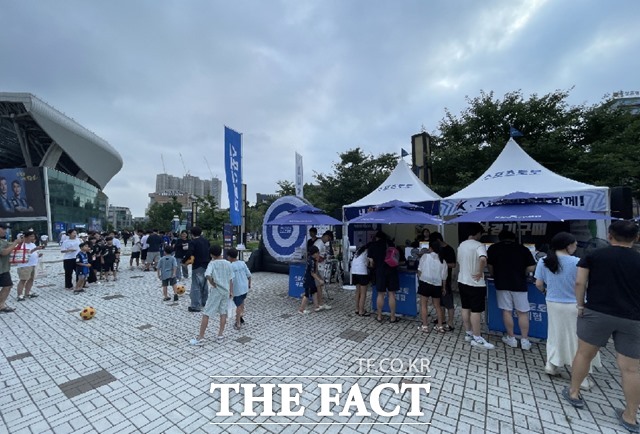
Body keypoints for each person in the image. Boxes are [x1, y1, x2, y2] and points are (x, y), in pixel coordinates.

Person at [564, 220, 640, 433]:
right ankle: (631, 416)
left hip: (596, 312)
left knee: (584, 354)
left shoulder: (594, 256)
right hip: (632, 318)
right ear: (636, 238)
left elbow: (580, 283)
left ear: (609, 235)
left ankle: (574, 393)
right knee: (631, 368)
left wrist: (580, 305)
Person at [534, 232, 600, 389]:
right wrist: (581, 304)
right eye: (575, 244)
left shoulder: (543, 261)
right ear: (568, 246)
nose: (576, 247)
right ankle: (581, 378)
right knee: (577, 340)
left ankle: (551, 365)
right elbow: (583, 284)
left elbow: (538, 284)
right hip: (574, 305)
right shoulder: (578, 262)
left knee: (555, 334)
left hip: (552, 303)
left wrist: (546, 292)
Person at [487, 230, 536, 350]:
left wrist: (494, 274)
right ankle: (525, 340)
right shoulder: (522, 249)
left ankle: (511, 338)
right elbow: (532, 266)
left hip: (501, 283)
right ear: (514, 238)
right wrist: (522, 271)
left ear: (500, 238)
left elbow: (490, 266)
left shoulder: (494, 248)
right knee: (522, 312)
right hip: (520, 284)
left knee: (507, 311)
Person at [457, 223, 494, 349]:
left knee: (465, 307)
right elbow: (483, 259)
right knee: (476, 311)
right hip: (475, 283)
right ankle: (477, 337)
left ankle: (468, 333)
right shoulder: (479, 245)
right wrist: (479, 271)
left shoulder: (461, 245)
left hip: (462, 280)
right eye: (480, 233)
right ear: (477, 233)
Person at [190, 245, 233, 345]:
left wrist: (212, 283)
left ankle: (201, 337)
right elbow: (231, 278)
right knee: (223, 312)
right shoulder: (227, 263)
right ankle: (220, 335)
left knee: (207, 312)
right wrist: (231, 291)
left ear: (211, 255)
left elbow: (207, 274)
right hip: (226, 291)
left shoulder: (212, 263)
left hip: (216, 290)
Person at [417, 241, 448, 333]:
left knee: (424, 305)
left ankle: (425, 326)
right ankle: (440, 326)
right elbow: (444, 277)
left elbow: (419, 270)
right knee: (437, 306)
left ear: (430, 248)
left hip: (425, 283)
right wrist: (444, 288)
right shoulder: (443, 260)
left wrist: (420, 279)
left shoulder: (425, 256)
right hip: (437, 285)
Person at [370, 231, 400, 323]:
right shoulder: (390, 243)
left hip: (380, 271)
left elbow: (371, 262)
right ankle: (392, 317)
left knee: (380, 294)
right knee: (391, 294)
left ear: (377, 237)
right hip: (392, 271)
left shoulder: (373, 245)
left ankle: (379, 316)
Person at [429, 232, 456, 331]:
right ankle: (442, 319)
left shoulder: (449, 249)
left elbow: (453, 265)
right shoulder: (437, 249)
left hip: (446, 280)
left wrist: (441, 264)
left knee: (448, 302)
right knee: (439, 301)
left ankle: (450, 323)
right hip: (436, 280)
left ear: (438, 240)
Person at [0, 225, 23, 313]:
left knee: (8, 285)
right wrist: (15, 243)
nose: (5, 231)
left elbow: (14, 247)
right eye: (3, 229)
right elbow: (4, 252)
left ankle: (1, 305)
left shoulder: (2, 241)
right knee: (7, 285)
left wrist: (19, 242)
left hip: (4, 268)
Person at [15, 231, 44, 301]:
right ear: (26, 237)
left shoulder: (32, 244)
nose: (33, 238)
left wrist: (38, 254)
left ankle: (27, 293)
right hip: (24, 265)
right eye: (31, 236)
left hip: (33, 264)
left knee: (31, 279)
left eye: (33, 236)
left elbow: (34, 253)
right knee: (23, 279)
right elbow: (22, 254)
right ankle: (19, 295)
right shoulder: (21, 245)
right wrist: (35, 249)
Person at [188, 226, 211, 312]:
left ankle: (195, 305)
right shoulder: (206, 241)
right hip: (206, 264)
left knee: (196, 285)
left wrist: (184, 261)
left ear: (192, 234)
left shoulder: (193, 242)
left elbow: (189, 253)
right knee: (205, 284)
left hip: (197, 265)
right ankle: (205, 302)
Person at [228, 247, 251, 329]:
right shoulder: (242, 263)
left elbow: (231, 280)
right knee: (242, 302)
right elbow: (249, 275)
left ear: (230, 257)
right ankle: (241, 317)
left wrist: (230, 291)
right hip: (244, 287)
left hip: (237, 289)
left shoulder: (230, 266)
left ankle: (238, 323)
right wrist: (249, 284)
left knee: (237, 306)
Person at [298, 245, 325, 314]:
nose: (319, 254)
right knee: (307, 294)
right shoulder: (312, 261)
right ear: (315, 253)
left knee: (314, 291)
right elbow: (313, 273)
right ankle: (301, 309)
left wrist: (317, 261)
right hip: (309, 280)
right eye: (318, 253)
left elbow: (315, 271)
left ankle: (316, 306)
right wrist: (319, 280)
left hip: (310, 279)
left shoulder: (311, 259)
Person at [351, 244, 372, 316]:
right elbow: (370, 263)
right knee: (363, 293)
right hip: (362, 272)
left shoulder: (358, 251)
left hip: (354, 272)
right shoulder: (368, 252)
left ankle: (357, 309)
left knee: (358, 292)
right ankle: (361, 311)